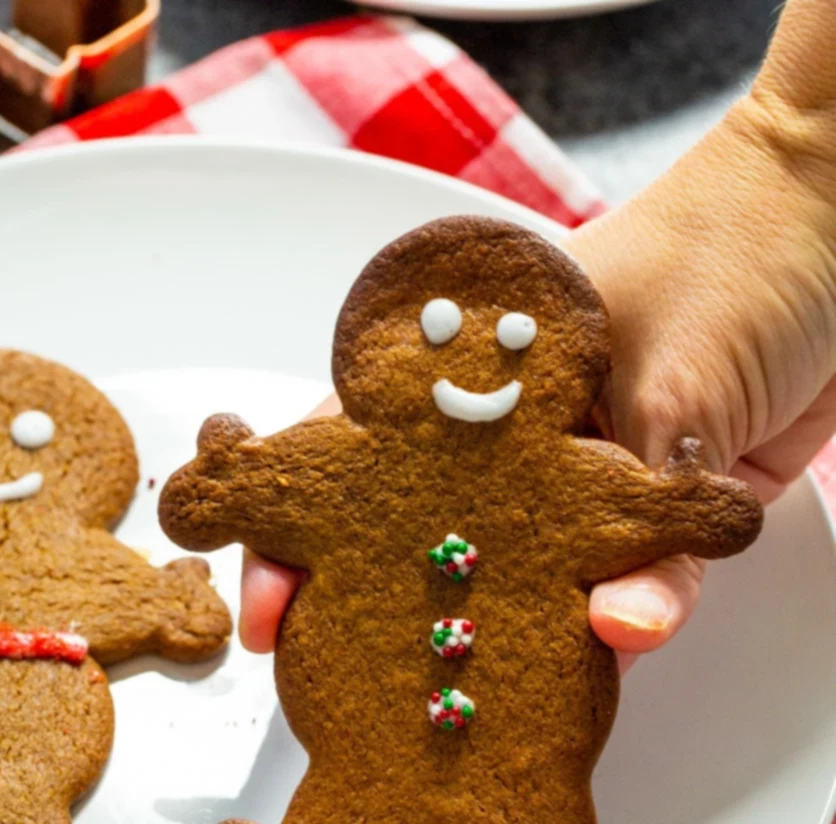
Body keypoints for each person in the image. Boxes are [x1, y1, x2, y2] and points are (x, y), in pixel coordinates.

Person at [239, 0, 836, 666]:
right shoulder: (362, 462)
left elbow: (683, 511)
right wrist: (796, 157)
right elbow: (256, 498)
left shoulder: (585, 470)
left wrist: (802, 162)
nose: (477, 357)